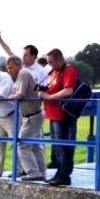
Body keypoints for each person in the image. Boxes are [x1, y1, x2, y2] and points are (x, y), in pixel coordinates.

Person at [36, 48, 79, 186]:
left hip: (62, 114)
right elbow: (52, 86)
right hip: (53, 113)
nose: (50, 65)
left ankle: (64, 175)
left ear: (60, 59)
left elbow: (68, 90)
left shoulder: (69, 70)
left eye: (51, 62)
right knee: (57, 146)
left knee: (63, 145)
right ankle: (59, 173)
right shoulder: (54, 72)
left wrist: (48, 96)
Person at [5, 56, 46, 181]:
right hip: (33, 114)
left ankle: (33, 173)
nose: (9, 71)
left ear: (18, 65)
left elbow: (20, 95)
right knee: (36, 146)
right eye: (8, 69)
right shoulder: (20, 75)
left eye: (11, 68)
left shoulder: (23, 73)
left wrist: (9, 97)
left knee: (22, 145)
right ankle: (41, 173)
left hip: (32, 116)